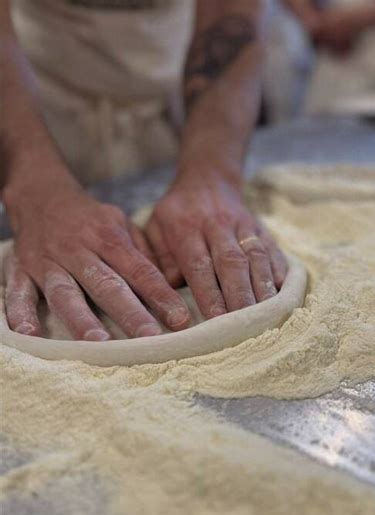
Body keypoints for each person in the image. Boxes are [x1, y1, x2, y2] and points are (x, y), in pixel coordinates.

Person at [0, 0, 288, 342]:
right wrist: (36, 191)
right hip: (28, 93)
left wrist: (213, 177)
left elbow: (230, 18)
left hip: (172, 86)